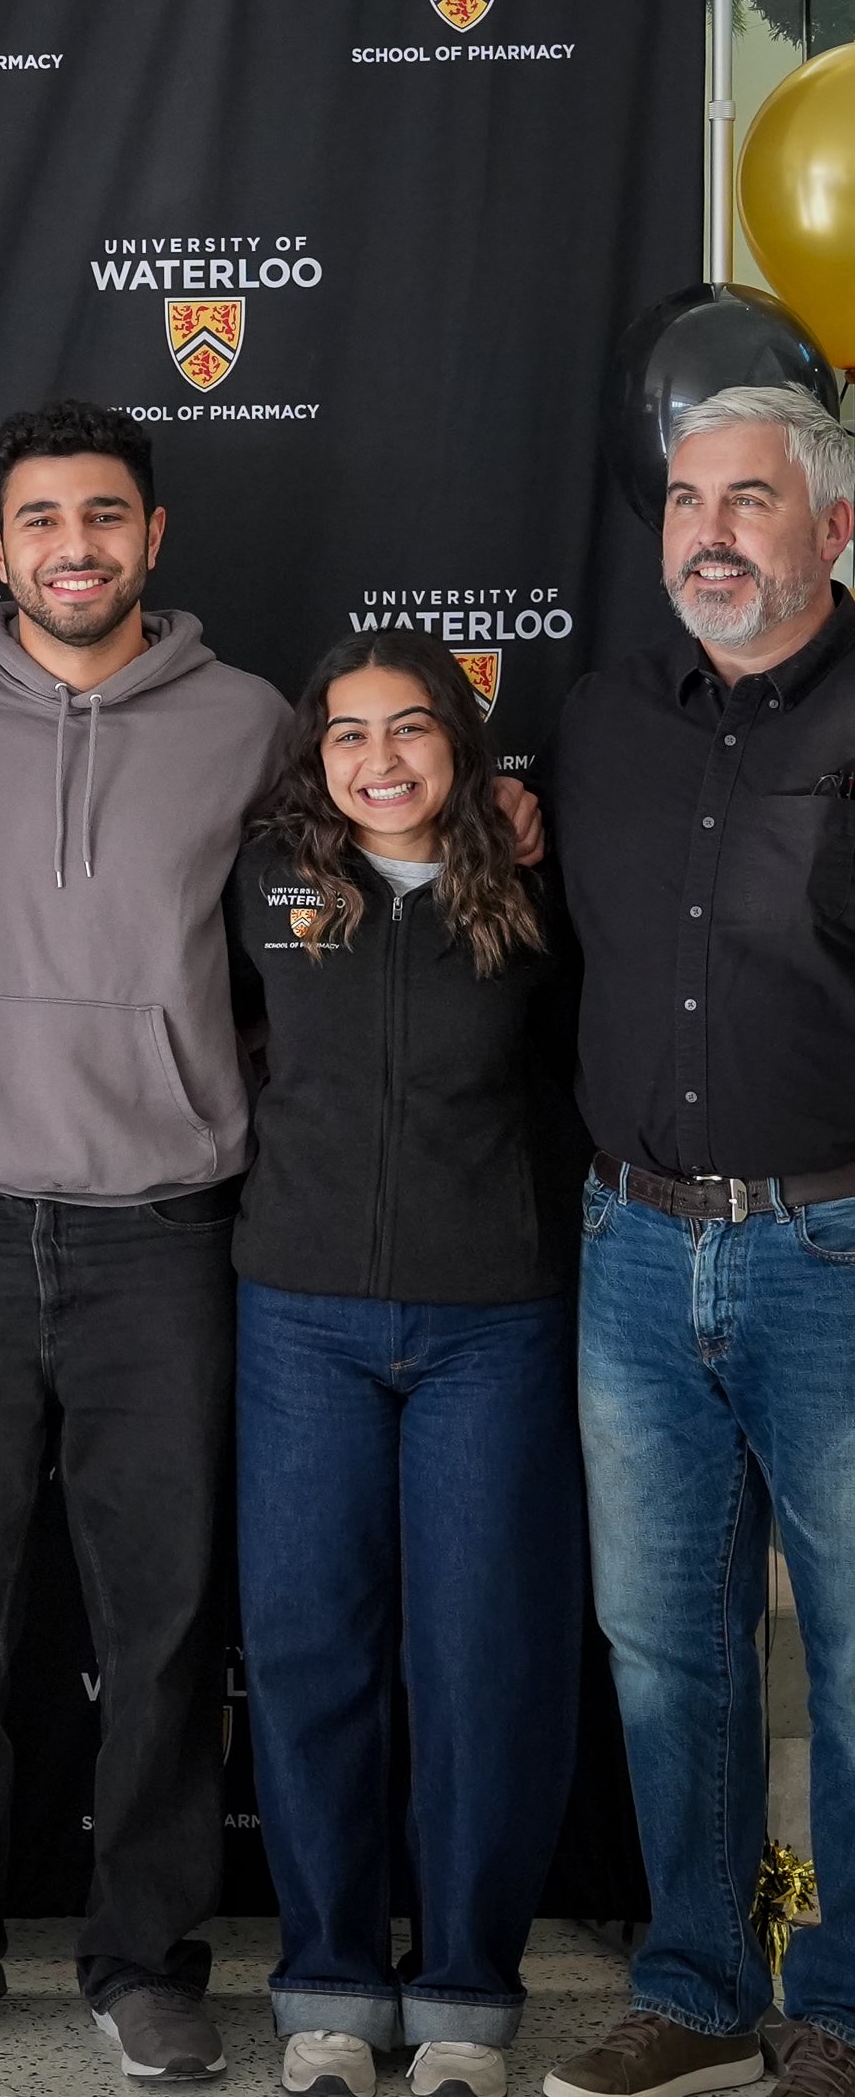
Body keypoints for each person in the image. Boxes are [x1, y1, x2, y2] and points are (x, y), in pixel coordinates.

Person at [0, 399, 287, 2085]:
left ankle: (146, 1956)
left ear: (151, 537)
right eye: (40, 520)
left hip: (165, 1233)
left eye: (104, 516)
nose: (74, 546)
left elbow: (348, 907)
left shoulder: (253, 722)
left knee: (162, 1616)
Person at [542, 382, 855, 2097]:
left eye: (748, 500)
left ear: (833, 528)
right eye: (683, 502)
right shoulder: (602, 717)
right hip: (635, 1247)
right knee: (669, 1643)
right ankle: (701, 1982)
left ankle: (851, 2002)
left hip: (836, 1247)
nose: (710, 533)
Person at [226, 630, 581, 2097]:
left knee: (482, 1661)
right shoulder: (261, 875)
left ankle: (464, 1997)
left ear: (462, 745)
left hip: (487, 1321)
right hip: (299, 1316)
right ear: (314, 751)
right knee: (311, 1651)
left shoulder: (534, 885)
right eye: (349, 732)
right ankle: (325, 1986)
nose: (381, 758)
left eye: (413, 728)